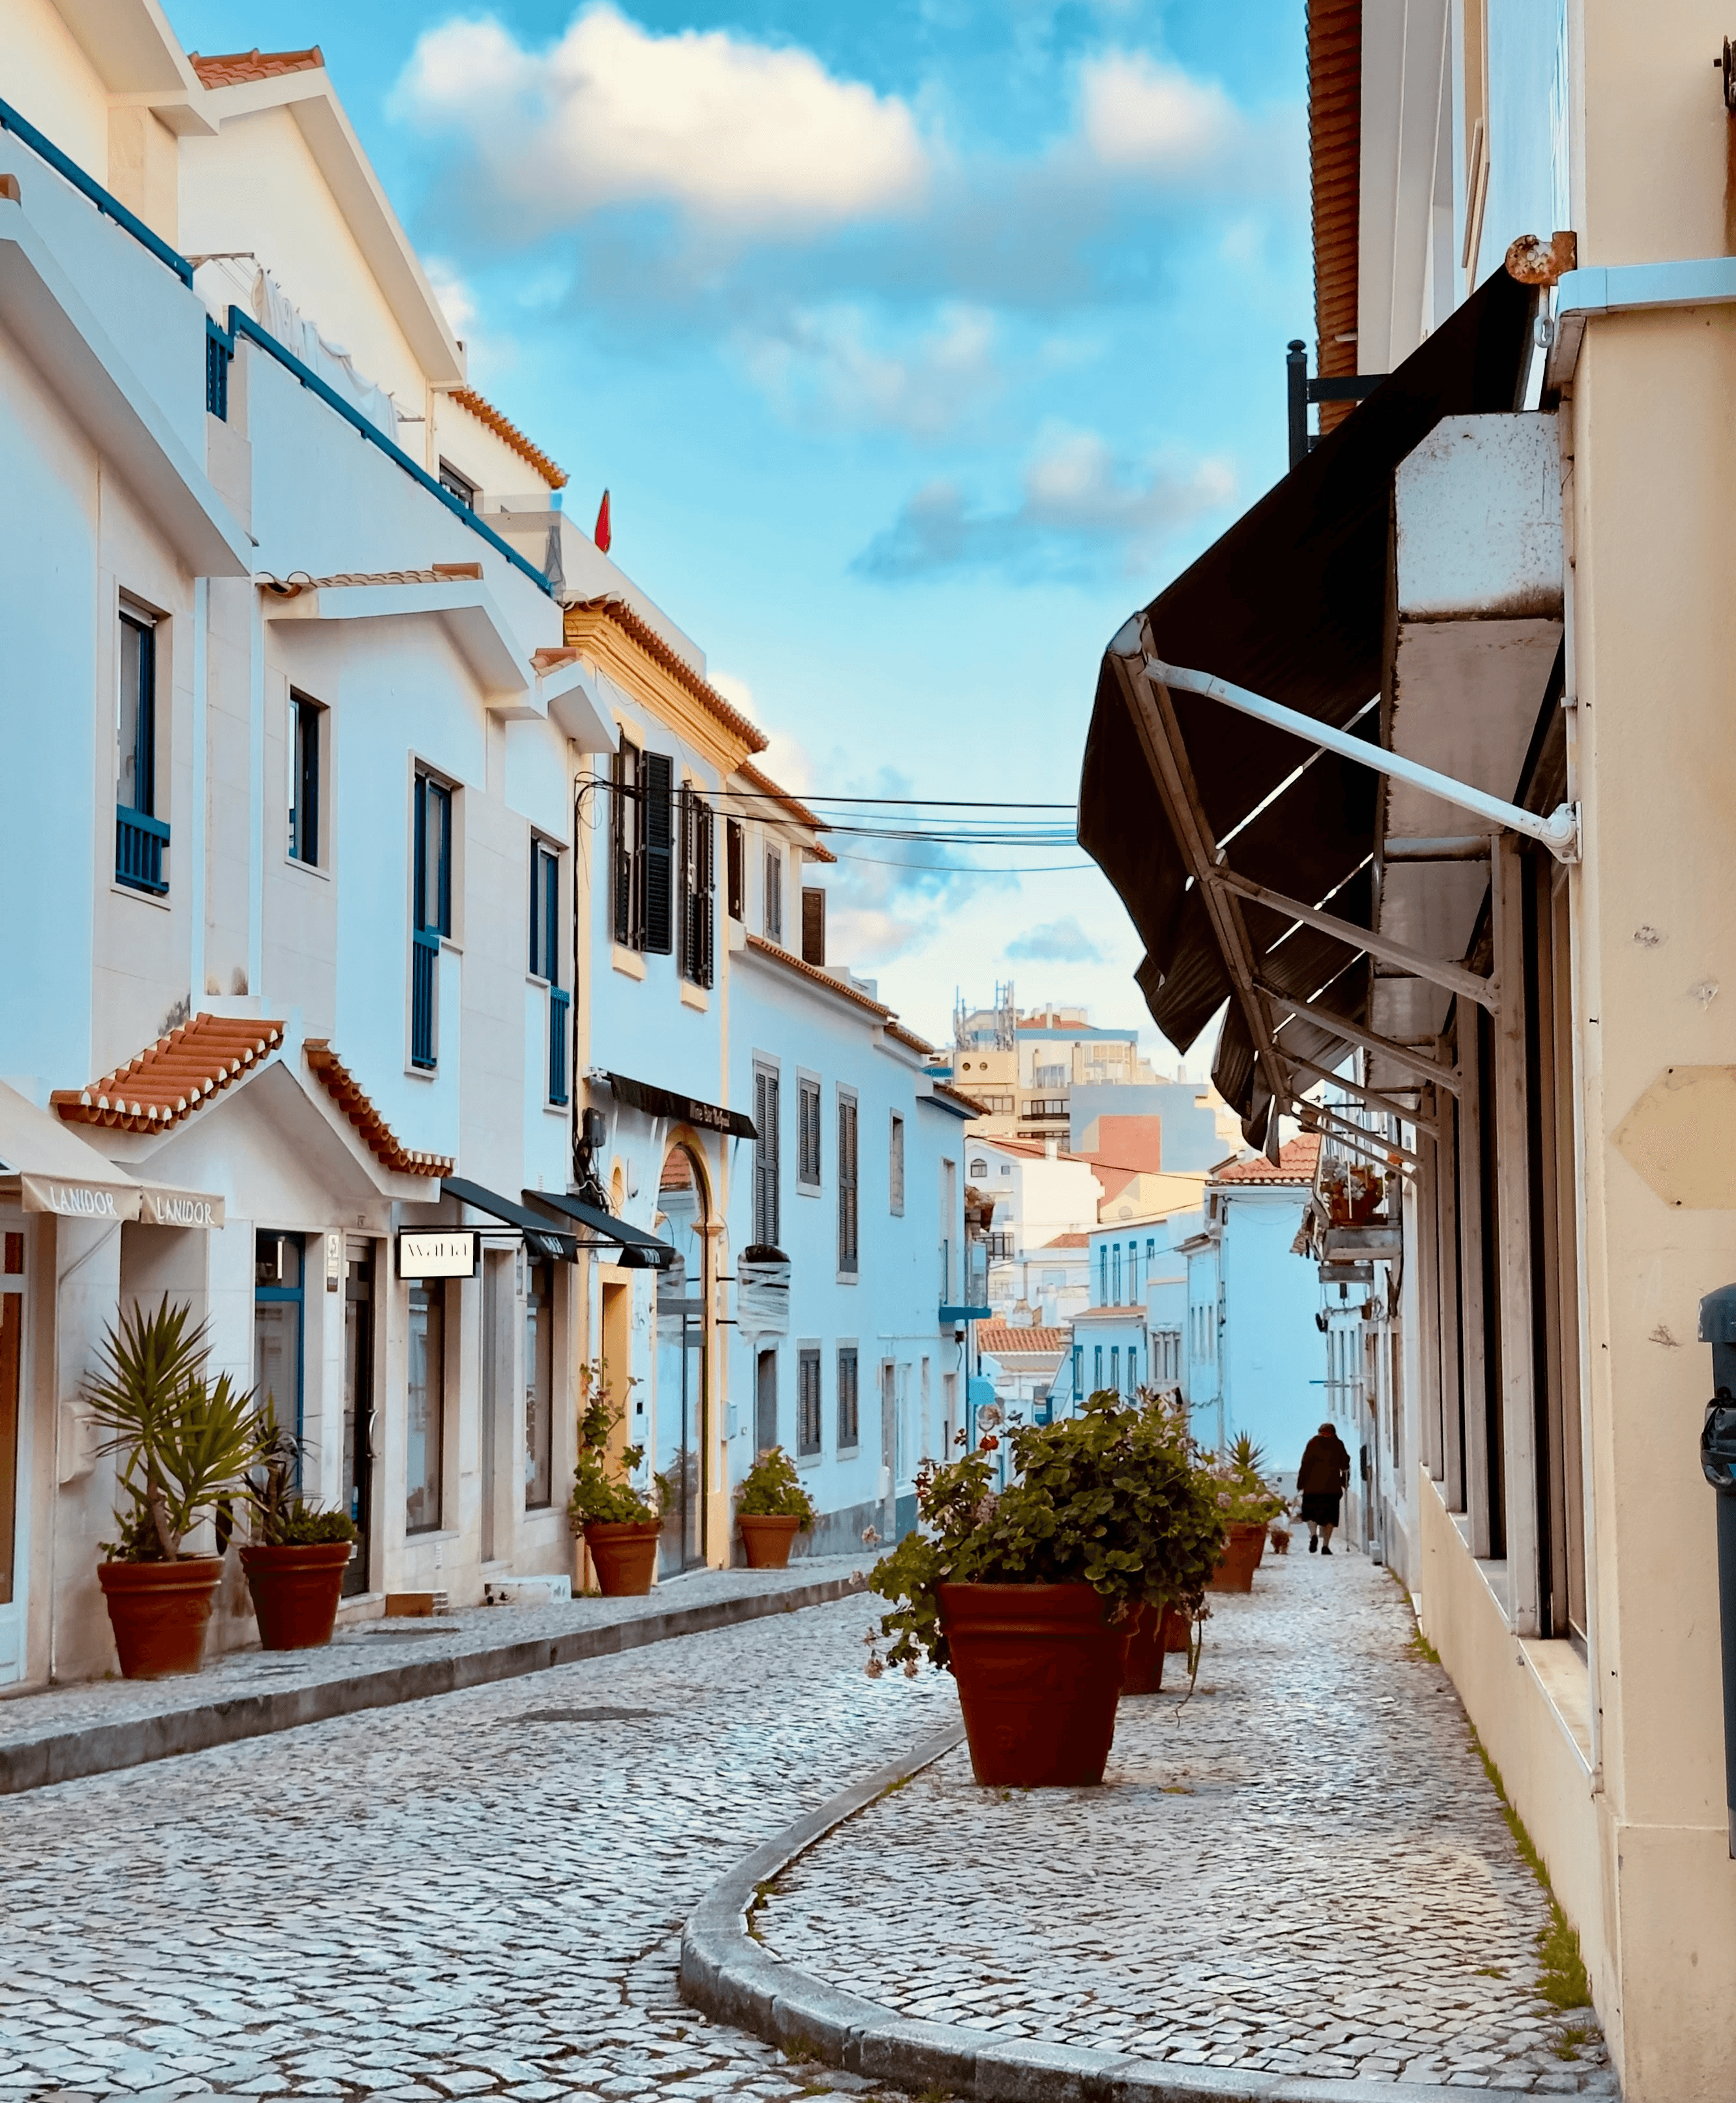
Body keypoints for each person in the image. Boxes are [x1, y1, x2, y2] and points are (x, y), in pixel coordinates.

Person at [1296, 1421, 1352, 1555]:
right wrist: (1345, 1482)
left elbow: (1305, 1464)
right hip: (1331, 1488)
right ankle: (1325, 1546)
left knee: (1310, 1514)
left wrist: (1301, 1483)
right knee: (1330, 1518)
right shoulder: (1338, 1444)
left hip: (1312, 1487)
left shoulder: (1313, 1443)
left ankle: (1314, 1534)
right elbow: (1345, 1464)